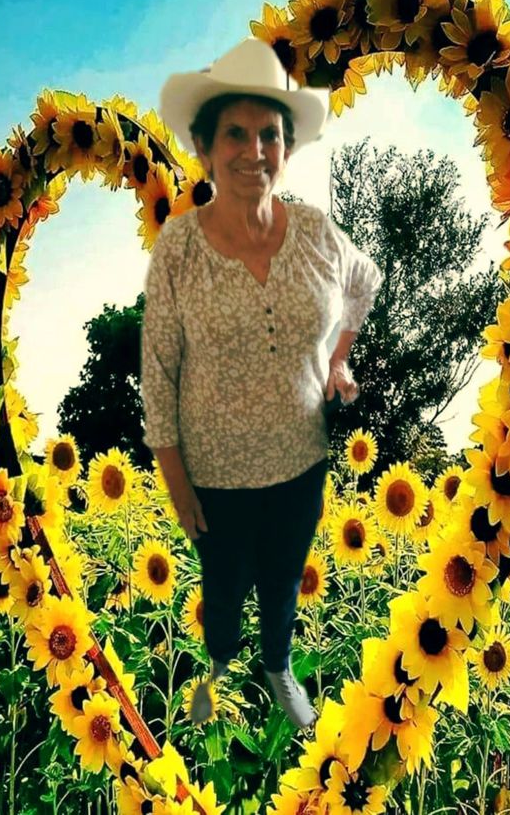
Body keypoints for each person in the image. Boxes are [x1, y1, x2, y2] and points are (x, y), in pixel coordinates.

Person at [141, 38, 383, 732]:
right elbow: (157, 369)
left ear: (287, 147)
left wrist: (337, 361)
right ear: (203, 147)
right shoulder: (179, 249)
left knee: (282, 580)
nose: (254, 151)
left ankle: (278, 668)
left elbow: (364, 284)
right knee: (222, 587)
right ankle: (218, 671)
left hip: (300, 462)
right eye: (235, 134)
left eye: (269, 135)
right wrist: (176, 482)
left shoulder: (315, 233)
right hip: (213, 474)